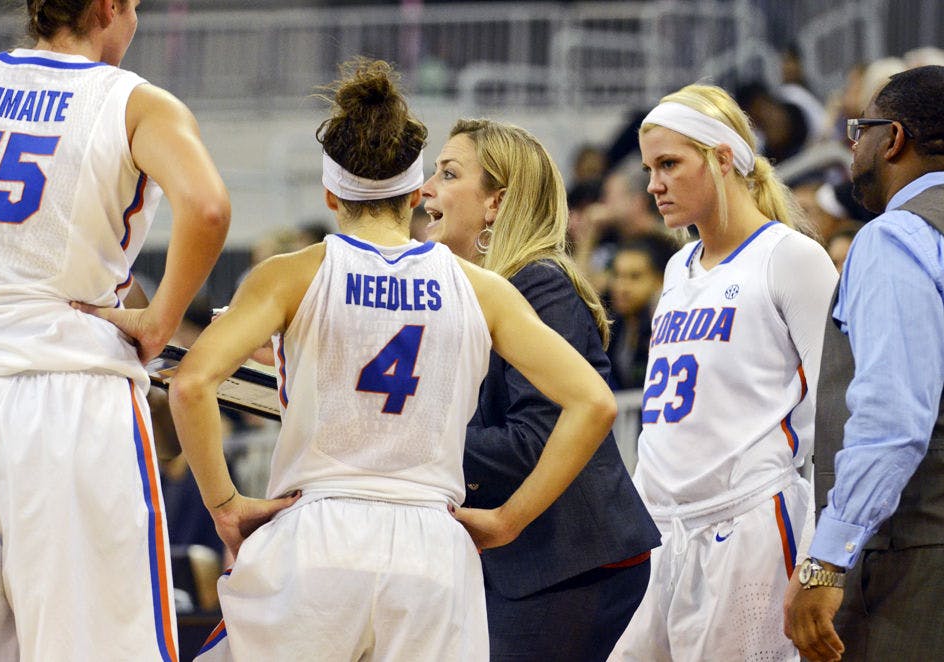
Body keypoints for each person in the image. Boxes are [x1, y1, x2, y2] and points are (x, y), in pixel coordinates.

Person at [153, 58, 616, 661]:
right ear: (414, 192)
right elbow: (596, 403)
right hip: (431, 548)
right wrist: (507, 521)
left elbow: (190, 384)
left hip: (318, 538)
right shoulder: (481, 289)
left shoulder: (292, 274)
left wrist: (225, 505)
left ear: (329, 191)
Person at [0, 0, 231, 659]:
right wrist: (161, 319)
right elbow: (209, 207)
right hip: (68, 398)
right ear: (107, 8)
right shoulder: (132, 101)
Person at [610, 83, 838, 661]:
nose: (654, 184)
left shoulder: (791, 257)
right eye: (648, 168)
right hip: (666, 527)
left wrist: (824, 553)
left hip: (749, 522)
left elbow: (836, 410)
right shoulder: (678, 266)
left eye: (669, 164)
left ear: (721, 158)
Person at [421, 118, 660, 661]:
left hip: (570, 563)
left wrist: (410, 439)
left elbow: (536, 438)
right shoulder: (471, 293)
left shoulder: (539, 284)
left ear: (495, 204)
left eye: (448, 173)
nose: (426, 189)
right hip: (525, 563)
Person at [785, 64, 944, 662]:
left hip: (918, 559)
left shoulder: (896, 236)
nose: (853, 147)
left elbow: (894, 419)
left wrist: (826, 563)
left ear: (893, 138)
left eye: (861, 129)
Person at [605, 233, 677, 390]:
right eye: (617, 275)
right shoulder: (610, 327)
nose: (622, 287)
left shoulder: (669, 330)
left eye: (634, 277)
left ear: (660, 281)